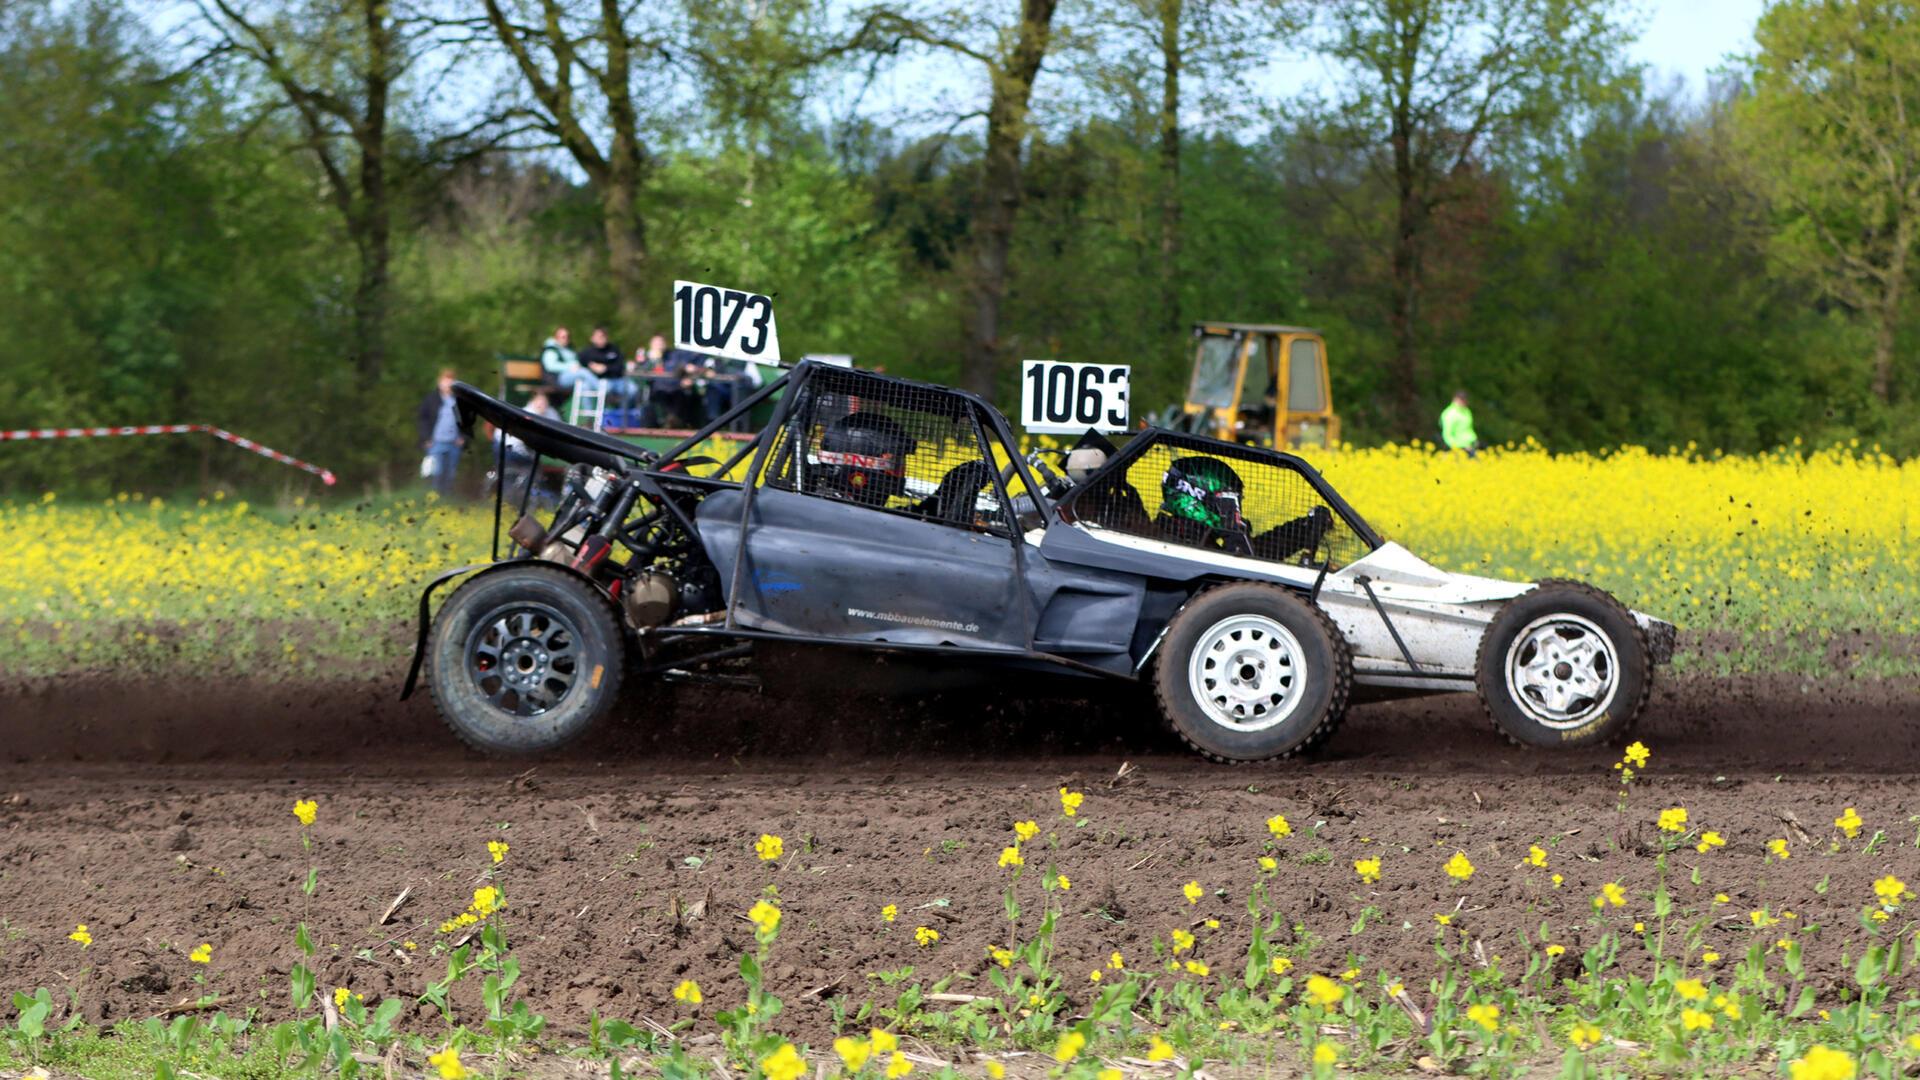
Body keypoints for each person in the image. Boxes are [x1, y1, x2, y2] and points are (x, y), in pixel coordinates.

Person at [417, 367, 465, 496]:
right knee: (436, 472)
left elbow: (467, 421)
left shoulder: (459, 401)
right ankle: (434, 497)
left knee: (450, 473)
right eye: (445, 381)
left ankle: (447, 498)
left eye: (450, 381)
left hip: (454, 443)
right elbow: (423, 419)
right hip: (436, 442)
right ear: (439, 382)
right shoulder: (431, 399)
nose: (447, 384)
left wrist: (463, 437)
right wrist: (426, 438)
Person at [577, 326, 640, 423]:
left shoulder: (614, 349)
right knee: (588, 386)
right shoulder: (587, 352)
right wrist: (590, 367)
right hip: (601, 382)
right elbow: (580, 363)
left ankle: (620, 414)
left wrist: (605, 368)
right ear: (592, 338)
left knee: (633, 389)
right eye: (599, 336)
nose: (601, 339)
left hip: (618, 380)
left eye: (603, 336)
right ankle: (590, 420)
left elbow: (620, 367)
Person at [1440, 390, 1479, 457]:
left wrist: (1474, 439)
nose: (1464, 401)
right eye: (1461, 399)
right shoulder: (1449, 413)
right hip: (1457, 449)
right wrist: (1459, 446)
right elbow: (1447, 434)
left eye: (1465, 399)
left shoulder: (1467, 411)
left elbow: (1469, 428)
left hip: (1471, 446)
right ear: (1455, 399)